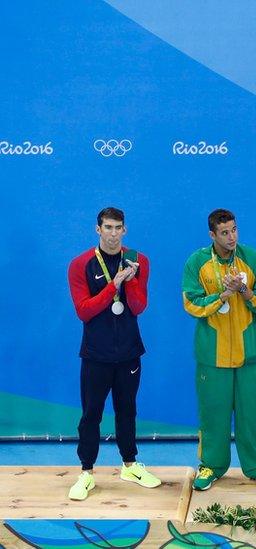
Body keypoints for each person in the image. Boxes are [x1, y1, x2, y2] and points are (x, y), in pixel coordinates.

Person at [66, 207, 160, 501]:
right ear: (98, 229)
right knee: (91, 414)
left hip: (130, 351)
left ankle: (130, 465)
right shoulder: (80, 264)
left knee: (127, 410)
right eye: (108, 227)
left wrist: (130, 280)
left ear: (125, 230)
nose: (113, 233)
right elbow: (84, 311)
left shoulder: (139, 261)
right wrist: (114, 284)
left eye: (118, 227)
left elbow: (137, 307)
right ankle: (86, 473)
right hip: (96, 354)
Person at [181, 208, 256, 490]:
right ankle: (211, 466)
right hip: (212, 355)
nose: (231, 236)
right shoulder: (197, 262)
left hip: (249, 354)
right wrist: (223, 294)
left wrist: (244, 292)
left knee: (251, 416)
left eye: (234, 230)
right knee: (213, 415)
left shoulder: (253, 259)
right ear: (212, 234)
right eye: (224, 232)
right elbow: (192, 304)